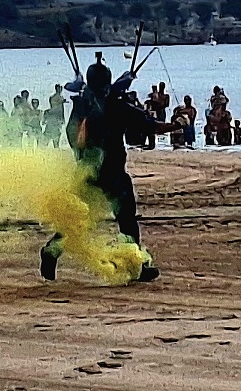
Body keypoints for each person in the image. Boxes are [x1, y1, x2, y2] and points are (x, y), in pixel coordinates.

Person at [40, 57, 176, 284]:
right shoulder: (117, 107)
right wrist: (178, 124)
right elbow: (152, 126)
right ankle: (137, 265)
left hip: (87, 173)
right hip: (112, 174)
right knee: (126, 220)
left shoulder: (81, 106)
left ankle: (51, 251)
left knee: (79, 220)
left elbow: (72, 137)